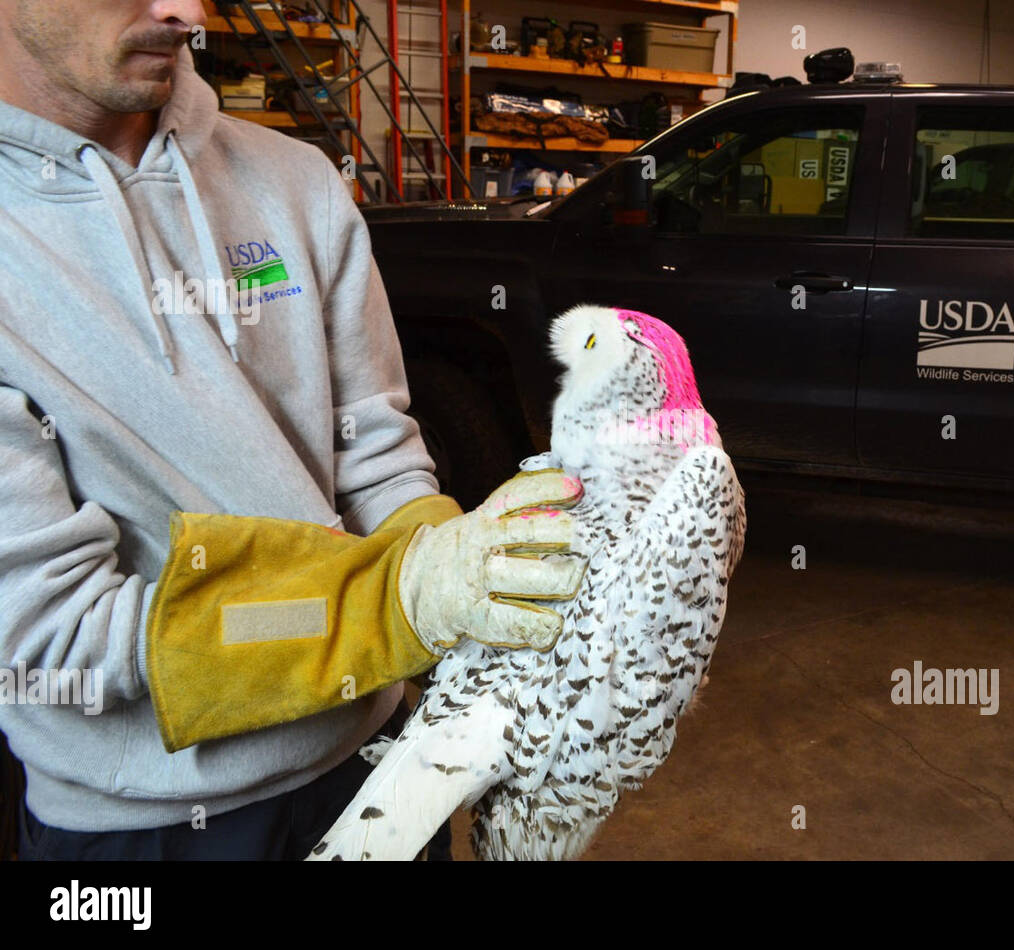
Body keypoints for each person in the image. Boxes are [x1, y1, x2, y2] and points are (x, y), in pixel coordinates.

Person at [0, 0, 586, 860]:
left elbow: (377, 454)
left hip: (381, 768)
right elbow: (59, 634)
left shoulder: (295, 179)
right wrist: (394, 603)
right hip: (147, 830)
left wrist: (456, 561)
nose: (188, 11)